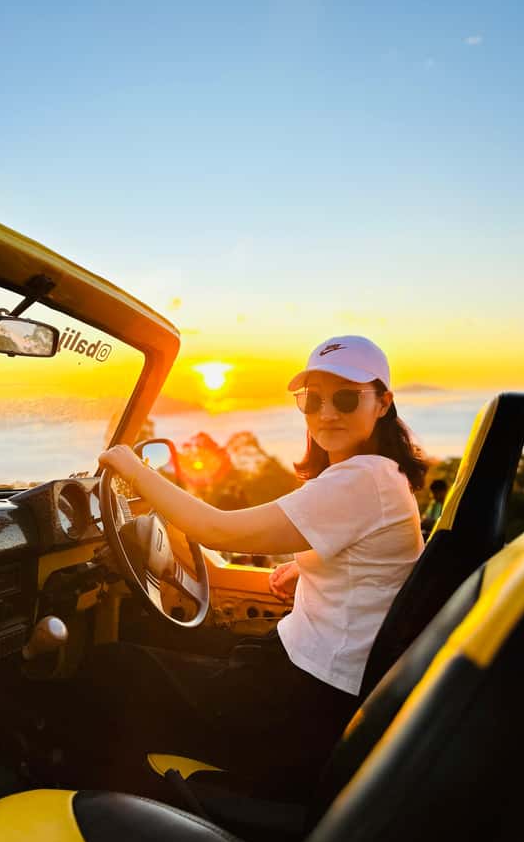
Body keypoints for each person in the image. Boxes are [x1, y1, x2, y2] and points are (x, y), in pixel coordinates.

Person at [65, 335, 427, 799]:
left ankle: (90, 798)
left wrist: (135, 471)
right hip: (303, 668)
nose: (327, 413)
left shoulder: (363, 479)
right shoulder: (378, 476)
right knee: (154, 639)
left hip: (305, 698)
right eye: (313, 400)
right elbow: (377, 563)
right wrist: (309, 570)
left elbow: (221, 531)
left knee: (112, 666)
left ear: (382, 403)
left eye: (345, 397)